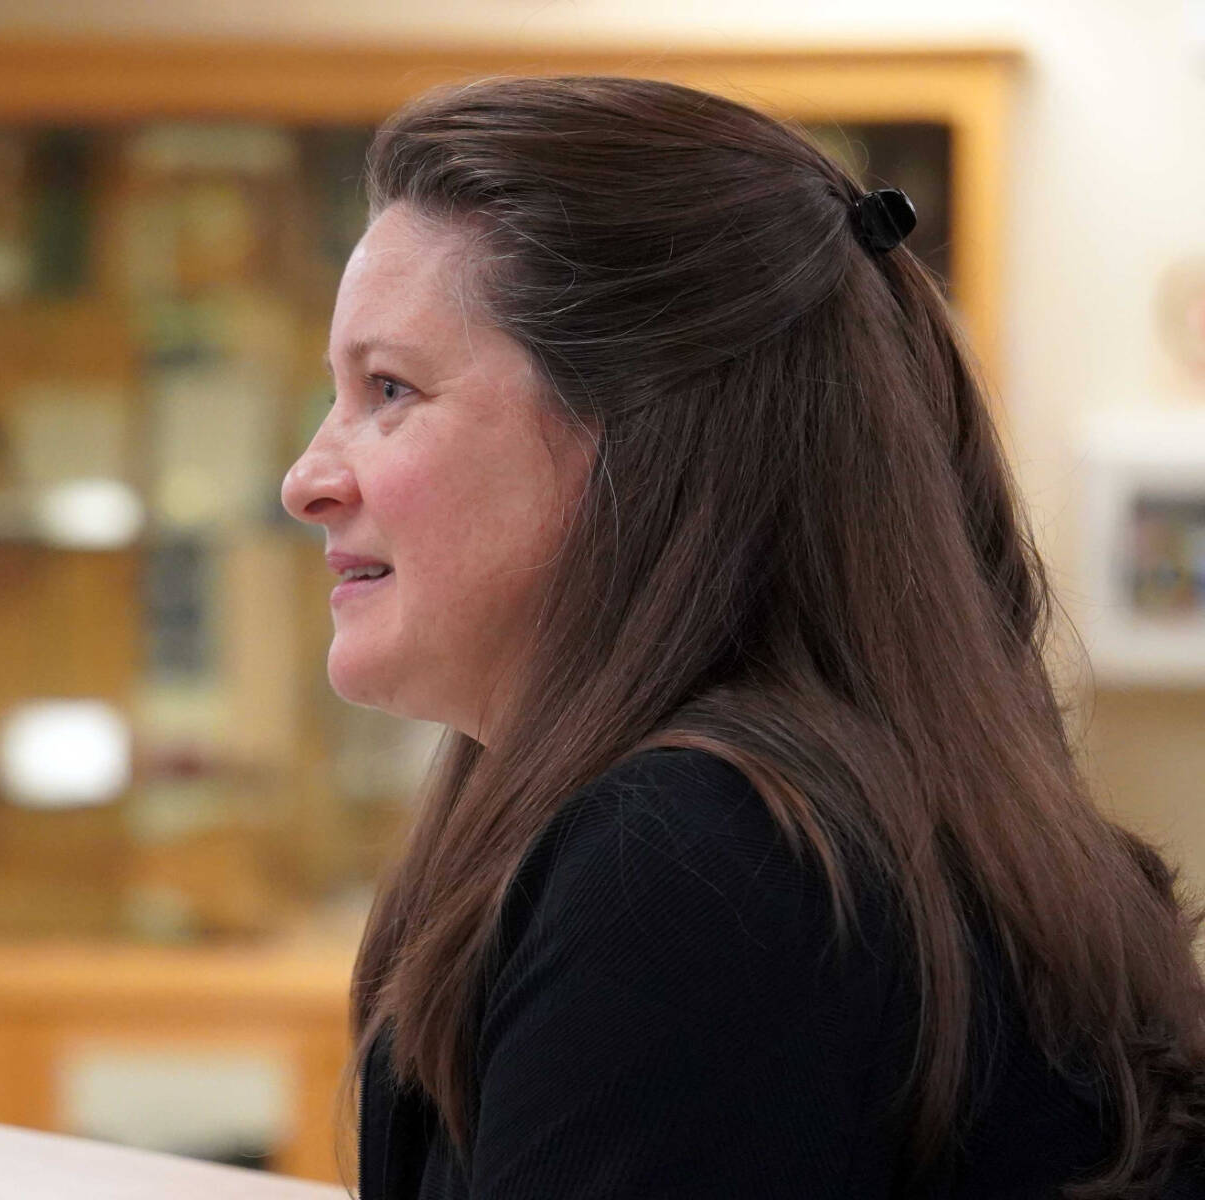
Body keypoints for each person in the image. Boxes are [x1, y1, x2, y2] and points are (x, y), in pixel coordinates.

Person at [278, 75, 1205, 1199]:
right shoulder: (759, 824)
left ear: (634, 440)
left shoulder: (689, 865)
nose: (308, 481)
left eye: (390, 389)